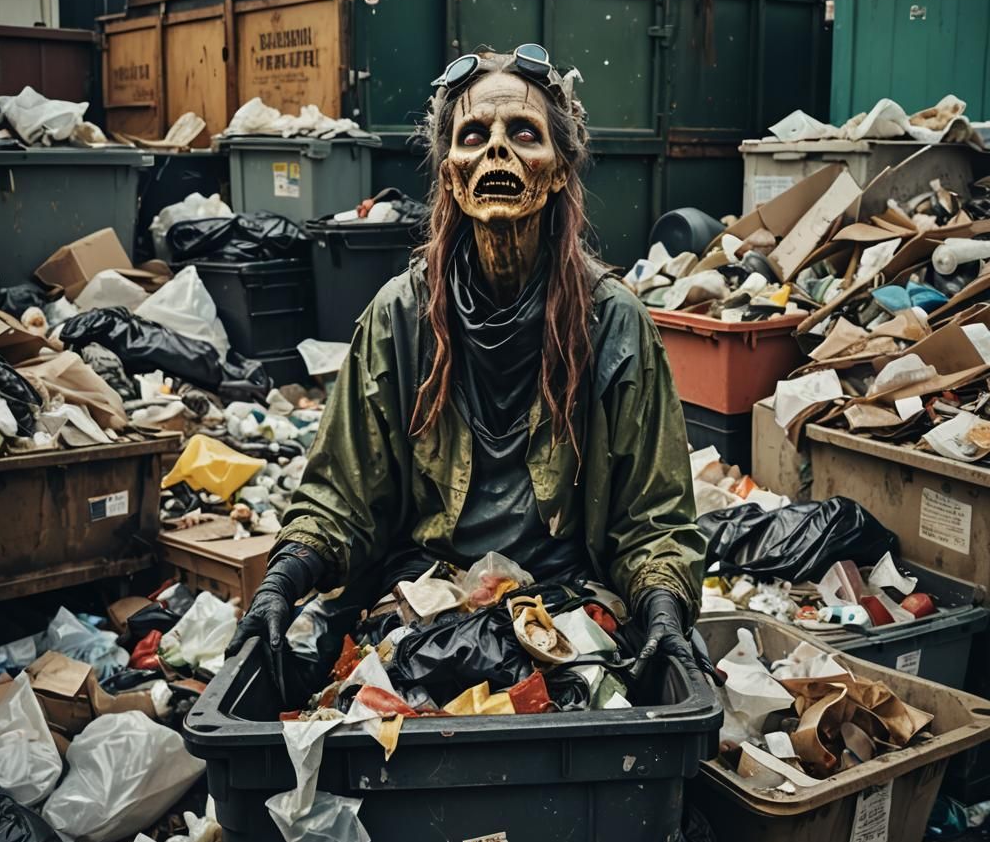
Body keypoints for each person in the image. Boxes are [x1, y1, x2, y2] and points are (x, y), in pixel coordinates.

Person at [226, 44, 716, 700]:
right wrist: (283, 580)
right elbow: (341, 496)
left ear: (562, 168)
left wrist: (661, 606)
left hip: (560, 600)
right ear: (451, 174)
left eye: (523, 134)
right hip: (422, 594)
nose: (497, 153)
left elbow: (654, 517)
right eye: (474, 136)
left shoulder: (615, 324)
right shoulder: (397, 319)